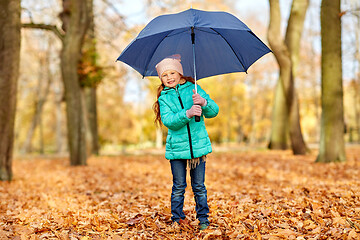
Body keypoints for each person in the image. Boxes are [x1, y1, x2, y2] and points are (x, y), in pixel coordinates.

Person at [152, 54, 219, 231]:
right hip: (177, 149)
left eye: (172, 73)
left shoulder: (194, 89)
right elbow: (169, 121)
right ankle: (177, 218)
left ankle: (203, 218)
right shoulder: (164, 98)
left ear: (180, 73)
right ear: (161, 79)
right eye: (165, 75)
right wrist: (188, 113)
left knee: (199, 186)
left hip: (198, 148)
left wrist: (203, 102)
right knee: (179, 186)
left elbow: (214, 111)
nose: (169, 78)